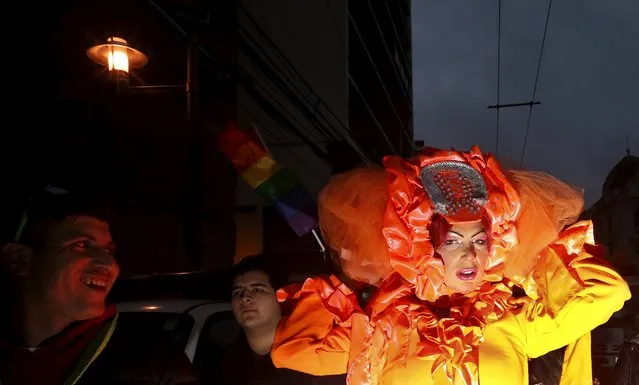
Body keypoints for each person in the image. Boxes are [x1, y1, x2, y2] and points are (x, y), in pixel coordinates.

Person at [269, 146, 631, 385]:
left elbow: (606, 294)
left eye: (479, 240)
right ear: (424, 251)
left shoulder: (514, 322)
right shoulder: (387, 328)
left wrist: (536, 258)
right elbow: (293, 349)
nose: (470, 254)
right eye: (452, 242)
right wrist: (344, 285)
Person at [0, 188, 199, 385]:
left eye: (109, 251)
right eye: (82, 245)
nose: (110, 265)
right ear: (21, 261)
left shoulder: (157, 365)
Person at [204, 254, 346, 385]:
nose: (245, 298)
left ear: (280, 296)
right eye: (237, 292)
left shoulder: (313, 351)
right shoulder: (225, 364)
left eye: (257, 290)